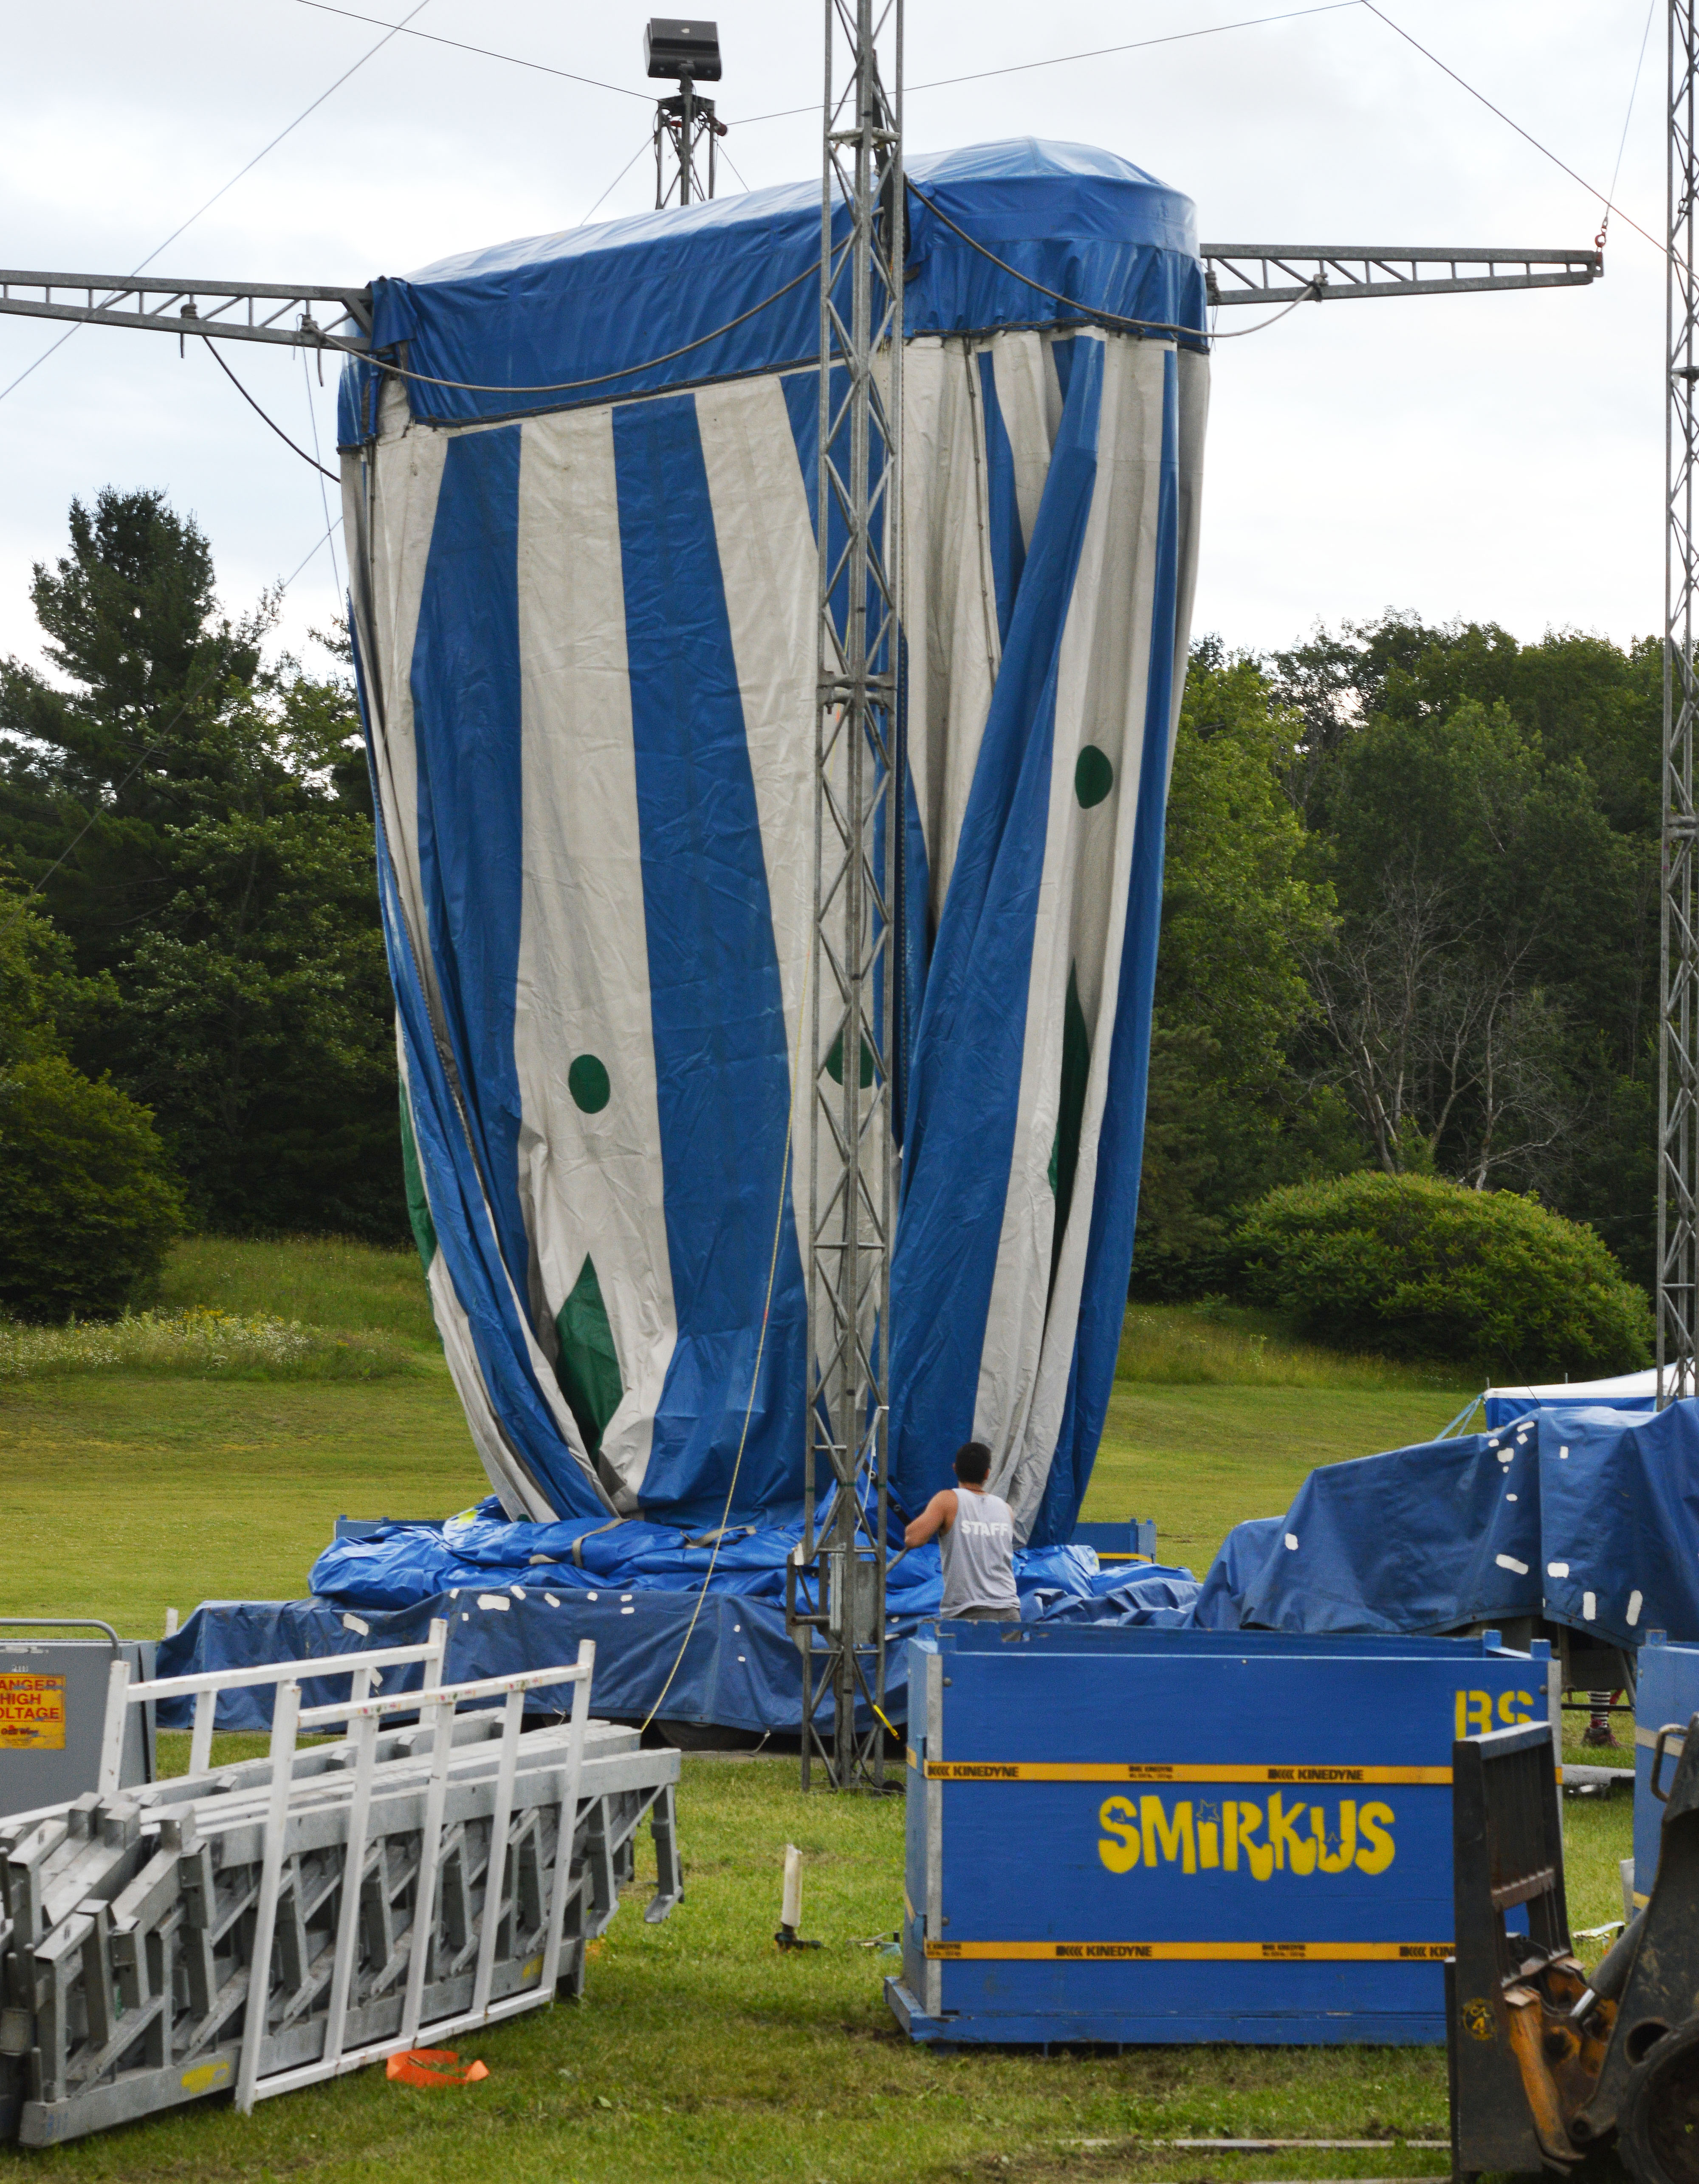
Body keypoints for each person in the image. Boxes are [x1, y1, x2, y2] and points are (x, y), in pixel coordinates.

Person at [904, 1440, 1021, 1623]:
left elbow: (912, 1539)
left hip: (969, 1613)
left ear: (955, 1468)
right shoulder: (1006, 1509)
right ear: (987, 1474)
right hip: (1009, 1611)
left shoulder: (948, 1501)